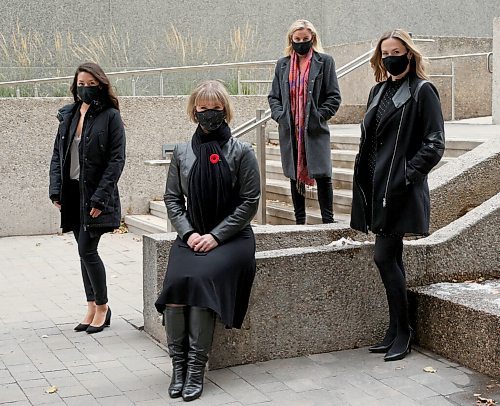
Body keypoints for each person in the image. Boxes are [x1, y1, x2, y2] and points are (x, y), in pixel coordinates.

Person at [155, 80, 260, 402]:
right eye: (202, 108)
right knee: (176, 285)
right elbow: (172, 199)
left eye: (215, 108)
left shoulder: (242, 151)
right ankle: (180, 368)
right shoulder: (182, 152)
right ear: (193, 110)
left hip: (232, 238)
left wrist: (215, 236)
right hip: (191, 235)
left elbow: (250, 201)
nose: (208, 113)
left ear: (225, 110)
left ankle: (197, 369)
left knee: (200, 283)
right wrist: (190, 233)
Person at [350, 29, 445, 361]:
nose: (390, 56)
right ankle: (396, 330)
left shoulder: (422, 90)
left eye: (397, 50)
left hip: (399, 189)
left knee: (383, 256)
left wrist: (408, 174)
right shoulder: (378, 91)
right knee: (391, 258)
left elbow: (435, 142)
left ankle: (403, 332)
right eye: (385, 52)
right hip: (376, 187)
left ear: (409, 54)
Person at [49, 62, 126, 334]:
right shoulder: (68, 114)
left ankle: (103, 307)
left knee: (87, 250)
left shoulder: (111, 116)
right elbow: (58, 155)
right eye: (81, 83)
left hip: (94, 194)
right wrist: (55, 189)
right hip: (71, 192)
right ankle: (91, 305)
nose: (86, 88)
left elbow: (117, 160)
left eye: (91, 84)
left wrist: (100, 199)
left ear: (101, 85)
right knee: (82, 253)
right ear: (75, 85)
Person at [268, 19, 341, 225]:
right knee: (294, 174)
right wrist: (280, 115)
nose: (301, 43)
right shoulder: (282, 65)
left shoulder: (325, 61)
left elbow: (334, 96)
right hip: (291, 128)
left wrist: (319, 116)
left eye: (305, 39)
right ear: (291, 39)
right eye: (297, 39)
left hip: (314, 128)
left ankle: (328, 220)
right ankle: (300, 221)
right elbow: (274, 96)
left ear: (313, 39)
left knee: (323, 174)